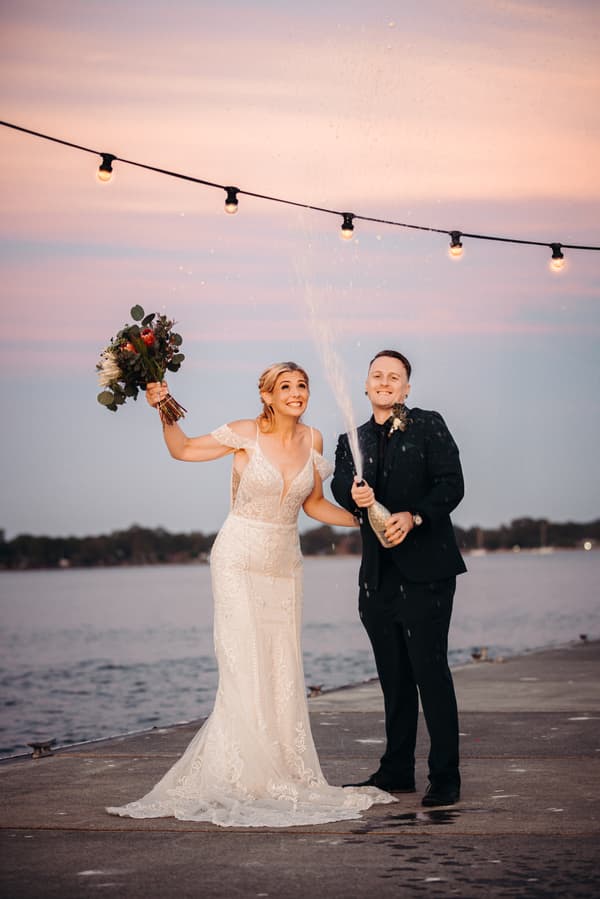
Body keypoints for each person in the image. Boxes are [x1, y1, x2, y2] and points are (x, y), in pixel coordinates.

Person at [107, 361, 395, 827]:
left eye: (302, 385)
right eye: (286, 386)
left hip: (284, 566)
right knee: (243, 665)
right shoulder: (245, 433)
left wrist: (369, 520)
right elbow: (182, 450)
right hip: (238, 560)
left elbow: (314, 504)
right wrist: (162, 407)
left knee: (281, 666)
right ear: (268, 395)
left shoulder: (314, 439)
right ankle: (239, 774)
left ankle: (278, 772)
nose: (296, 393)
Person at [331, 350, 466, 807]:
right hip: (377, 578)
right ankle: (396, 771)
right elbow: (340, 485)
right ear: (366, 385)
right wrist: (352, 494)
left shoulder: (428, 425)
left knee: (431, 674)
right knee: (393, 678)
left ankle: (445, 777)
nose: (385, 382)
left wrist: (414, 516)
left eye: (395, 377)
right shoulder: (350, 439)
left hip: (428, 573)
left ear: (407, 388)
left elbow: (451, 484)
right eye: (377, 375)